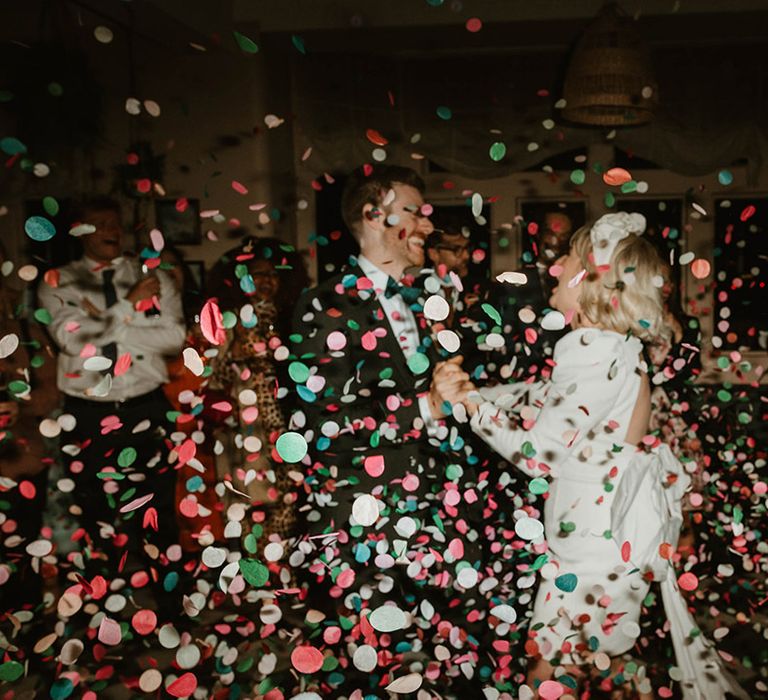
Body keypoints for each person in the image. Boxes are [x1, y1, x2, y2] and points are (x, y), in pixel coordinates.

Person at [430, 212, 748, 699]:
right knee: (576, 671)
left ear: (595, 283)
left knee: (547, 675)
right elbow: (541, 395)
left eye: (569, 261)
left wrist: (468, 404)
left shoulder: (589, 347)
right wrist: (481, 394)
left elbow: (538, 456)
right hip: (606, 541)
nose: (554, 267)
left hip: (590, 550)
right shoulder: (618, 346)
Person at [287, 165, 491, 697]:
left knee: (449, 652)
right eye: (416, 213)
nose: (428, 226)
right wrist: (423, 404)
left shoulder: (427, 298)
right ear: (374, 216)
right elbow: (320, 419)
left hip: (439, 504)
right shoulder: (322, 304)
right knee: (372, 662)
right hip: (365, 510)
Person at [37, 197, 186, 606]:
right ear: (78, 231)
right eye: (99, 222)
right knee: (95, 516)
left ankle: (172, 610)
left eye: (115, 223)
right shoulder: (58, 282)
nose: (111, 230)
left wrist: (107, 321)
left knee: (158, 515)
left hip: (146, 407)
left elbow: (174, 338)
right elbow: (71, 339)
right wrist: (129, 306)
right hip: (87, 415)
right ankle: (107, 614)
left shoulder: (152, 276)